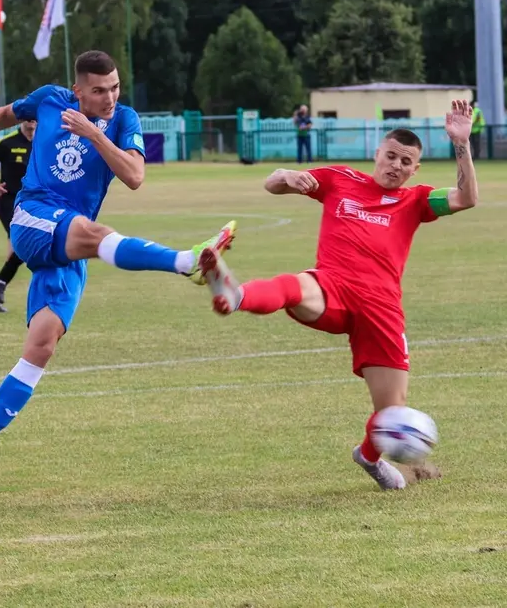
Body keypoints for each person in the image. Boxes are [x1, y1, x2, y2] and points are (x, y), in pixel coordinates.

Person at [0, 50, 237, 498]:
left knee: (40, 347)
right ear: (77, 89)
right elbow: (7, 112)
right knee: (97, 233)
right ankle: (187, 262)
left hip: (69, 245)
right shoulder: (50, 99)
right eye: (99, 90)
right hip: (34, 219)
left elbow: (135, 176)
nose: (110, 97)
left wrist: (94, 134)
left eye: (115, 87)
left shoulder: (122, 120)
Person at [198, 100, 478, 491]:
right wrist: (288, 176)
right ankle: (236, 294)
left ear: (415, 169)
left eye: (405, 162)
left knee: (390, 415)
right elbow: (273, 181)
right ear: (376, 154)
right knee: (294, 287)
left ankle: (369, 457)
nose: (395, 166)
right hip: (332, 286)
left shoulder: (416, 200)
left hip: (381, 310)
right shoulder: (340, 178)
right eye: (391, 156)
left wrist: (461, 143)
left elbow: (466, 198)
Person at [0, 119, 35, 312]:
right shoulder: (7, 142)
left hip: (31, 205)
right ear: (22, 120)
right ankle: (0, 282)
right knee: (24, 244)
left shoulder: (43, 142)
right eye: (28, 118)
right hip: (8, 203)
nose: (32, 122)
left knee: (19, 250)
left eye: (35, 118)